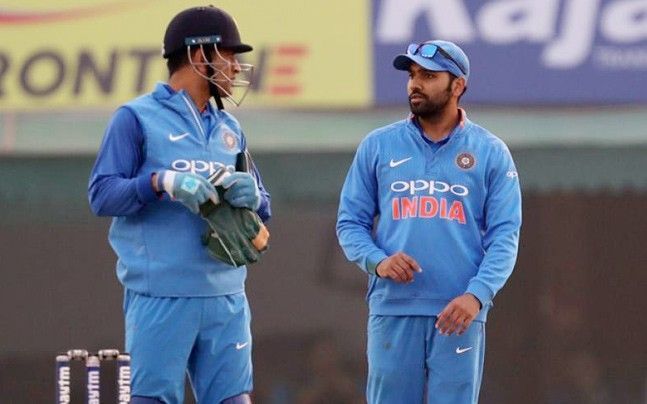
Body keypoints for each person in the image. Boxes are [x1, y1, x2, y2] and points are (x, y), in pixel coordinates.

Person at [88, 6, 270, 404]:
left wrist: (253, 196)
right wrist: (160, 182)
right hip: (162, 295)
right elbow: (101, 195)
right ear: (199, 54)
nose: (237, 68)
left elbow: (263, 207)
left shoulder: (229, 128)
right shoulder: (135, 118)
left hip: (227, 295)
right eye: (229, 55)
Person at [336, 40, 521, 403]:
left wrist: (476, 296)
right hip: (394, 308)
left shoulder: (490, 152)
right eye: (412, 74)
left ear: (458, 86)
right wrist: (379, 261)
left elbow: (505, 236)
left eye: (429, 76)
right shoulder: (378, 146)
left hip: (459, 312)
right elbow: (350, 223)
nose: (415, 84)